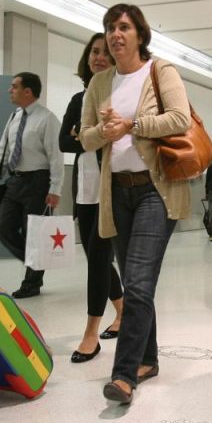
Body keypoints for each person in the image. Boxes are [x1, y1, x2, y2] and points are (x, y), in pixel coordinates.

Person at [79, 3, 191, 405]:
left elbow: (179, 118)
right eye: (110, 28)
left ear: (140, 35)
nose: (115, 34)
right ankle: (148, 358)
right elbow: (86, 137)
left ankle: (123, 376)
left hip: (154, 192)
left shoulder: (160, 72)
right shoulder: (100, 83)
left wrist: (133, 125)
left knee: (139, 284)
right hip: (117, 193)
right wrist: (106, 132)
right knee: (134, 282)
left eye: (123, 27)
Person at [58, 32, 124, 363]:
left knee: (98, 259)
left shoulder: (118, 98)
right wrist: (93, 136)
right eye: (94, 52)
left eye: (106, 53)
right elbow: (63, 142)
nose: (98, 57)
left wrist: (84, 135)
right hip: (84, 189)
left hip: (112, 188)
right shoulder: (78, 99)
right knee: (96, 257)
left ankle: (90, 334)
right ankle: (121, 312)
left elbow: (109, 140)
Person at [0, 71, 62, 298]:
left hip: (38, 182)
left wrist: (55, 189)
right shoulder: (14, 117)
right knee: (4, 229)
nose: (10, 90)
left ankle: (32, 282)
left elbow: (56, 156)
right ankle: (37, 262)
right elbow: (4, 149)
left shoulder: (47, 119)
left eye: (14, 86)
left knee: (34, 235)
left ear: (27, 91)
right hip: (15, 180)